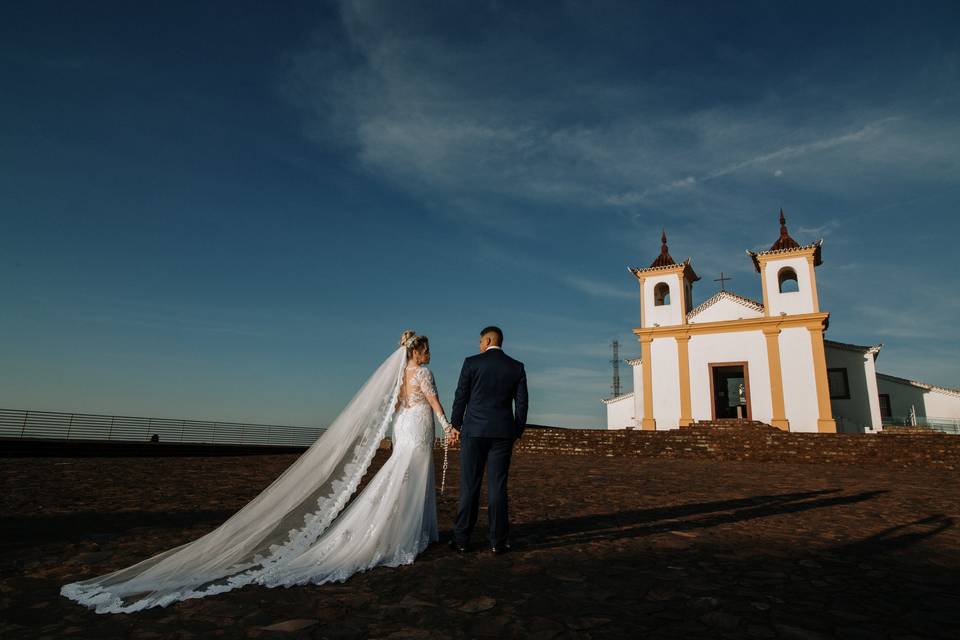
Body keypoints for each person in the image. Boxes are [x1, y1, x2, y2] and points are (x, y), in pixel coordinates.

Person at [60, 331, 456, 614]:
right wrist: (447, 425)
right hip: (418, 424)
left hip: (403, 423)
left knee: (399, 475)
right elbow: (434, 402)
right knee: (411, 474)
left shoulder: (398, 378)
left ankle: (406, 528)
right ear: (416, 351)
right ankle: (406, 533)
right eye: (426, 349)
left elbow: (395, 407)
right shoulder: (423, 374)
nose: (429, 353)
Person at [448, 326, 528, 554]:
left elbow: (460, 396)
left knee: (469, 486)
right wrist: (517, 430)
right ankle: (498, 541)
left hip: (474, 432)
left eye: (481, 341)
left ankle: (462, 539)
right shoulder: (516, 367)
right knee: (498, 487)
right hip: (502, 433)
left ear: (489, 340)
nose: (479, 346)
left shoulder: (471, 363)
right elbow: (521, 404)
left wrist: (456, 425)